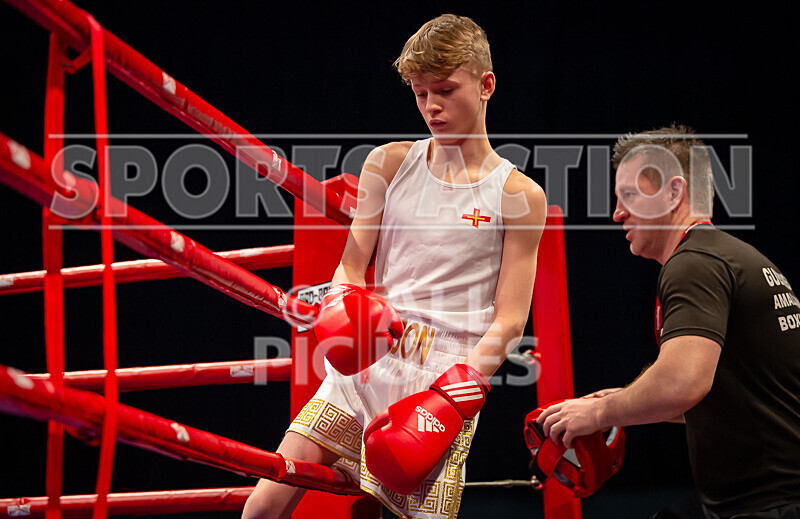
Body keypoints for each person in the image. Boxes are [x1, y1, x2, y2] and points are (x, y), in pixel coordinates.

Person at [242, 14, 546, 519]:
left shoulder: (518, 195)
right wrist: (344, 307)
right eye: (420, 93)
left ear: (486, 85)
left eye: (444, 90)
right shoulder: (388, 163)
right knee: (263, 506)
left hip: (443, 378)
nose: (431, 106)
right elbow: (350, 267)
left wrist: (452, 396)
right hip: (368, 363)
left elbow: (511, 320)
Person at [537, 124, 800, 518]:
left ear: (674, 192)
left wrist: (597, 414)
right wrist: (621, 400)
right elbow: (726, 392)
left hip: (769, 504)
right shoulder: (729, 256)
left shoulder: (694, 264)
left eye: (629, 195)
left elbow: (683, 383)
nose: (617, 213)